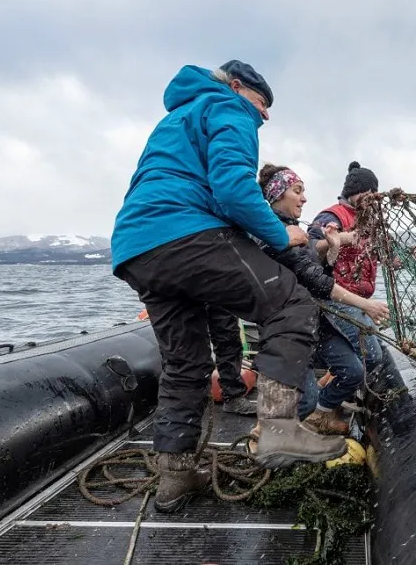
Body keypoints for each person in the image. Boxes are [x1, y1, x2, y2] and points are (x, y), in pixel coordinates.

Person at [110, 60, 346, 514]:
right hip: (186, 232)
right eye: (261, 103)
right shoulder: (228, 108)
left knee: (185, 363)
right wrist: (282, 234)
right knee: (291, 304)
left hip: (136, 248)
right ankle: (278, 428)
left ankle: (176, 475)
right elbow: (233, 188)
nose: (265, 115)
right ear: (236, 87)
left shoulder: (176, 119)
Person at [248, 163, 390, 435]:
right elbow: (314, 278)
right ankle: (267, 432)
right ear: (277, 194)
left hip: (312, 317)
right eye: (297, 191)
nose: (304, 198)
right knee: (305, 400)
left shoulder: (293, 229)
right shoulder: (274, 233)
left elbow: (315, 264)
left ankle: (318, 415)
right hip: (288, 323)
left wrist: (332, 250)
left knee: (353, 370)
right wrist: (366, 305)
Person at [308, 162, 386, 373]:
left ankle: (338, 377)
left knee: (379, 352)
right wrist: (340, 239)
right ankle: (336, 379)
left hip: (359, 300)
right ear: (353, 192)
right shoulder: (331, 216)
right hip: (335, 297)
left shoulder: (367, 219)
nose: (370, 199)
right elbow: (310, 249)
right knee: (372, 355)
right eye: (366, 194)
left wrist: (402, 258)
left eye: (373, 195)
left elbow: (376, 253)